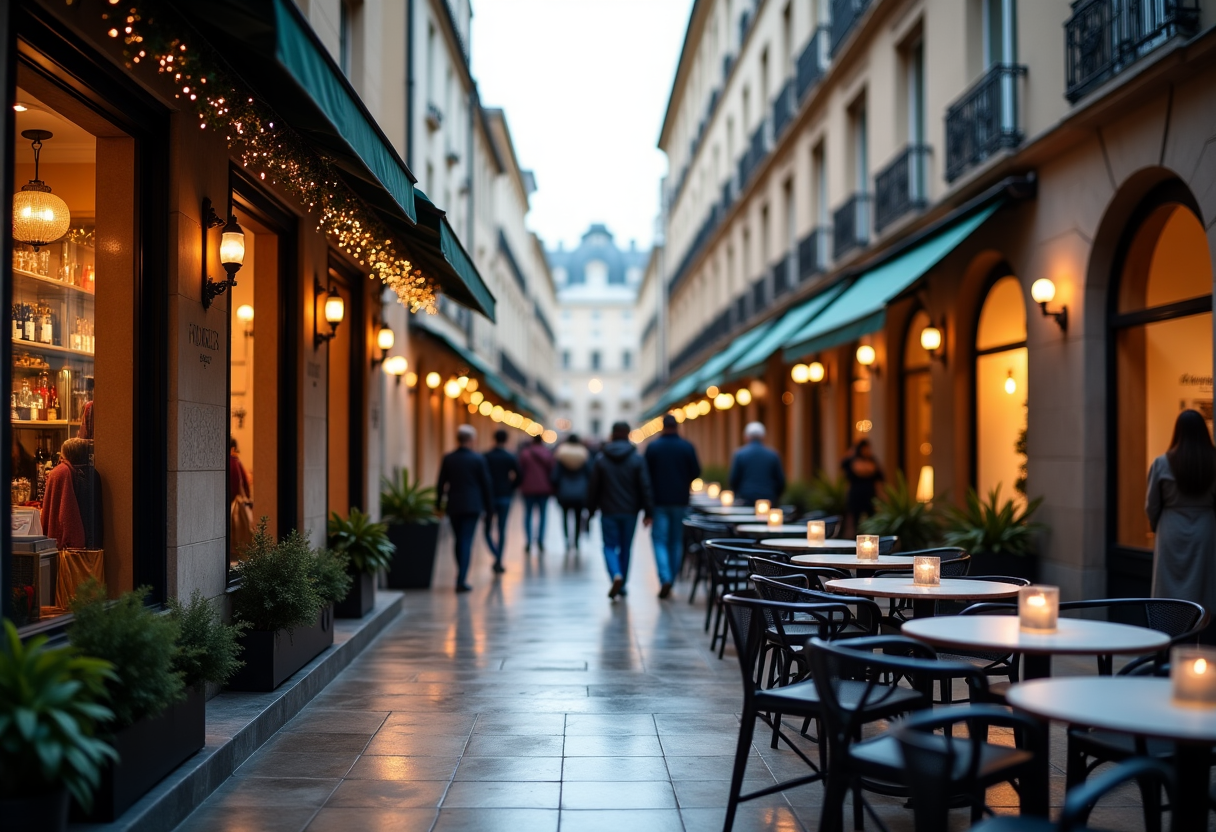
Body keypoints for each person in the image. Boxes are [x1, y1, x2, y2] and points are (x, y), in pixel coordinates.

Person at [1146, 409, 1216, 623]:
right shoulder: (1213, 462)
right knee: (1202, 589)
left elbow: (1152, 505)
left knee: (1168, 590)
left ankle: (1169, 633)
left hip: (1171, 528)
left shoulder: (1161, 463)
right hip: (1205, 528)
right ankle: (1200, 632)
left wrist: (1157, 525)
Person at [588, 421, 654, 600]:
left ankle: (615, 574)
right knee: (626, 547)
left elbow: (594, 487)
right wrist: (649, 512)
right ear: (628, 434)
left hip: (608, 510)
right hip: (630, 511)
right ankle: (623, 583)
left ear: (612, 434)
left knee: (609, 546)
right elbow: (645, 486)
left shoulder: (601, 459)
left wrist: (591, 509)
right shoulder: (637, 459)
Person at [644, 413, 701, 599]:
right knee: (676, 541)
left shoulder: (653, 448)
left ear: (662, 426)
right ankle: (672, 579)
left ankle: (665, 577)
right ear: (677, 427)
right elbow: (696, 471)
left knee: (659, 540)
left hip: (659, 501)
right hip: (680, 500)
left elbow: (645, 477)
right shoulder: (687, 447)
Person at [436, 424, 493, 592]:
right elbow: (486, 485)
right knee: (466, 540)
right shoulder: (478, 459)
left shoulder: (449, 458)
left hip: (454, 504)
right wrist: (489, 509)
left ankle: (460, 576)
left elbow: (440, 483)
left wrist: (438, 505)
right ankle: (461, 578)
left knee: (458, 539)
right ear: (472, 440)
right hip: (472, 505)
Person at [482, 429, 520, 573]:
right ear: (506, 440)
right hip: (504, 495)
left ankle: (496, 554)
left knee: (487, 529)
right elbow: (519, 475)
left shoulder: (486, 456)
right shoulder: (509, 457)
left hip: (489, 496)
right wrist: (511, 488)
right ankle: (499, 558)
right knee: (502, 529)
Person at [728, 422, 786, 505]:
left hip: (745, 499)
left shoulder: (740, 454)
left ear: (746, 437)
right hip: (768, 500)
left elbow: (734, 480)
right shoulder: (773, 455)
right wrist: (775, 498)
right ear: (763, 437)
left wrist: (738, 495)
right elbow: (780, 481)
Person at [552, 434, 591, 551]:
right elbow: (589, 473)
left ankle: (566, 540)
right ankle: (576, 541)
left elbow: (555, 476)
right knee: (578, 517)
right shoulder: (584, 455)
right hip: (580, 491)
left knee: (564, 517)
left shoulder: (561, 455)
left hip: (564, 491)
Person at [517, 434, 555, 553]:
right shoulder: (547, 453)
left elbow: (520, 471)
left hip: (528, 488)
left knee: (528, 514)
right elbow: (552, 471)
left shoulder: (525, 453)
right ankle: (540, 540)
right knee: (543, 515)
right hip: (544, 489)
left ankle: (528, 540)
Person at [841, 439, 885, 535]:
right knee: (856, 519)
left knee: (871, 517)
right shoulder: (851, 460)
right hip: (856, 494)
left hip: (869, 494)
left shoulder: (872, 460)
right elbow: (843, 465)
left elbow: (881, 477)